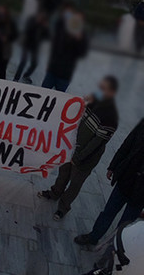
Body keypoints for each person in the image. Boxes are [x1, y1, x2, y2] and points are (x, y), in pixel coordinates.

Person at [38, 76, 119, 220]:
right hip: (71, 148)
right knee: (63, 174)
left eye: (103, 89)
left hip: (85, 159)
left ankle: (63, 207)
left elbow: (96, 144)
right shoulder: (94, 101)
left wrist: (78, 158)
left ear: (112, 93)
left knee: (75, 184)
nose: (99, 91)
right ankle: (55, 193)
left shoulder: (111, 118)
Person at [75, 118, 144, 247]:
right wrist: (113, 166)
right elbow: (127, 144)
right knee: (108, 212)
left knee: (126, 225)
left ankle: (114, 250)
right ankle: (93, 237)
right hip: (126, 178)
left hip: (141, 193)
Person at [42, 4, 88, 92]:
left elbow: (82, 53)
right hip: (53, 69)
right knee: (43, 92)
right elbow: (55, 45)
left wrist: (79, 41)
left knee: (59, 96)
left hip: (65, 74)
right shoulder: (63, 28)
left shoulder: (82, 35)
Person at [13, 11, 49, 84]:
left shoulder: (43, 27)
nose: (40, 19)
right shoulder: (32, 22)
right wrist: (36, 24)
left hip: (35, 47)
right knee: (23, 62)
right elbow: (27, 31)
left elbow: (47, 37)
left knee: (34, 63)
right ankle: (16, 78)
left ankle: (26, 76)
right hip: (27, 44)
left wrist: (46, 28)